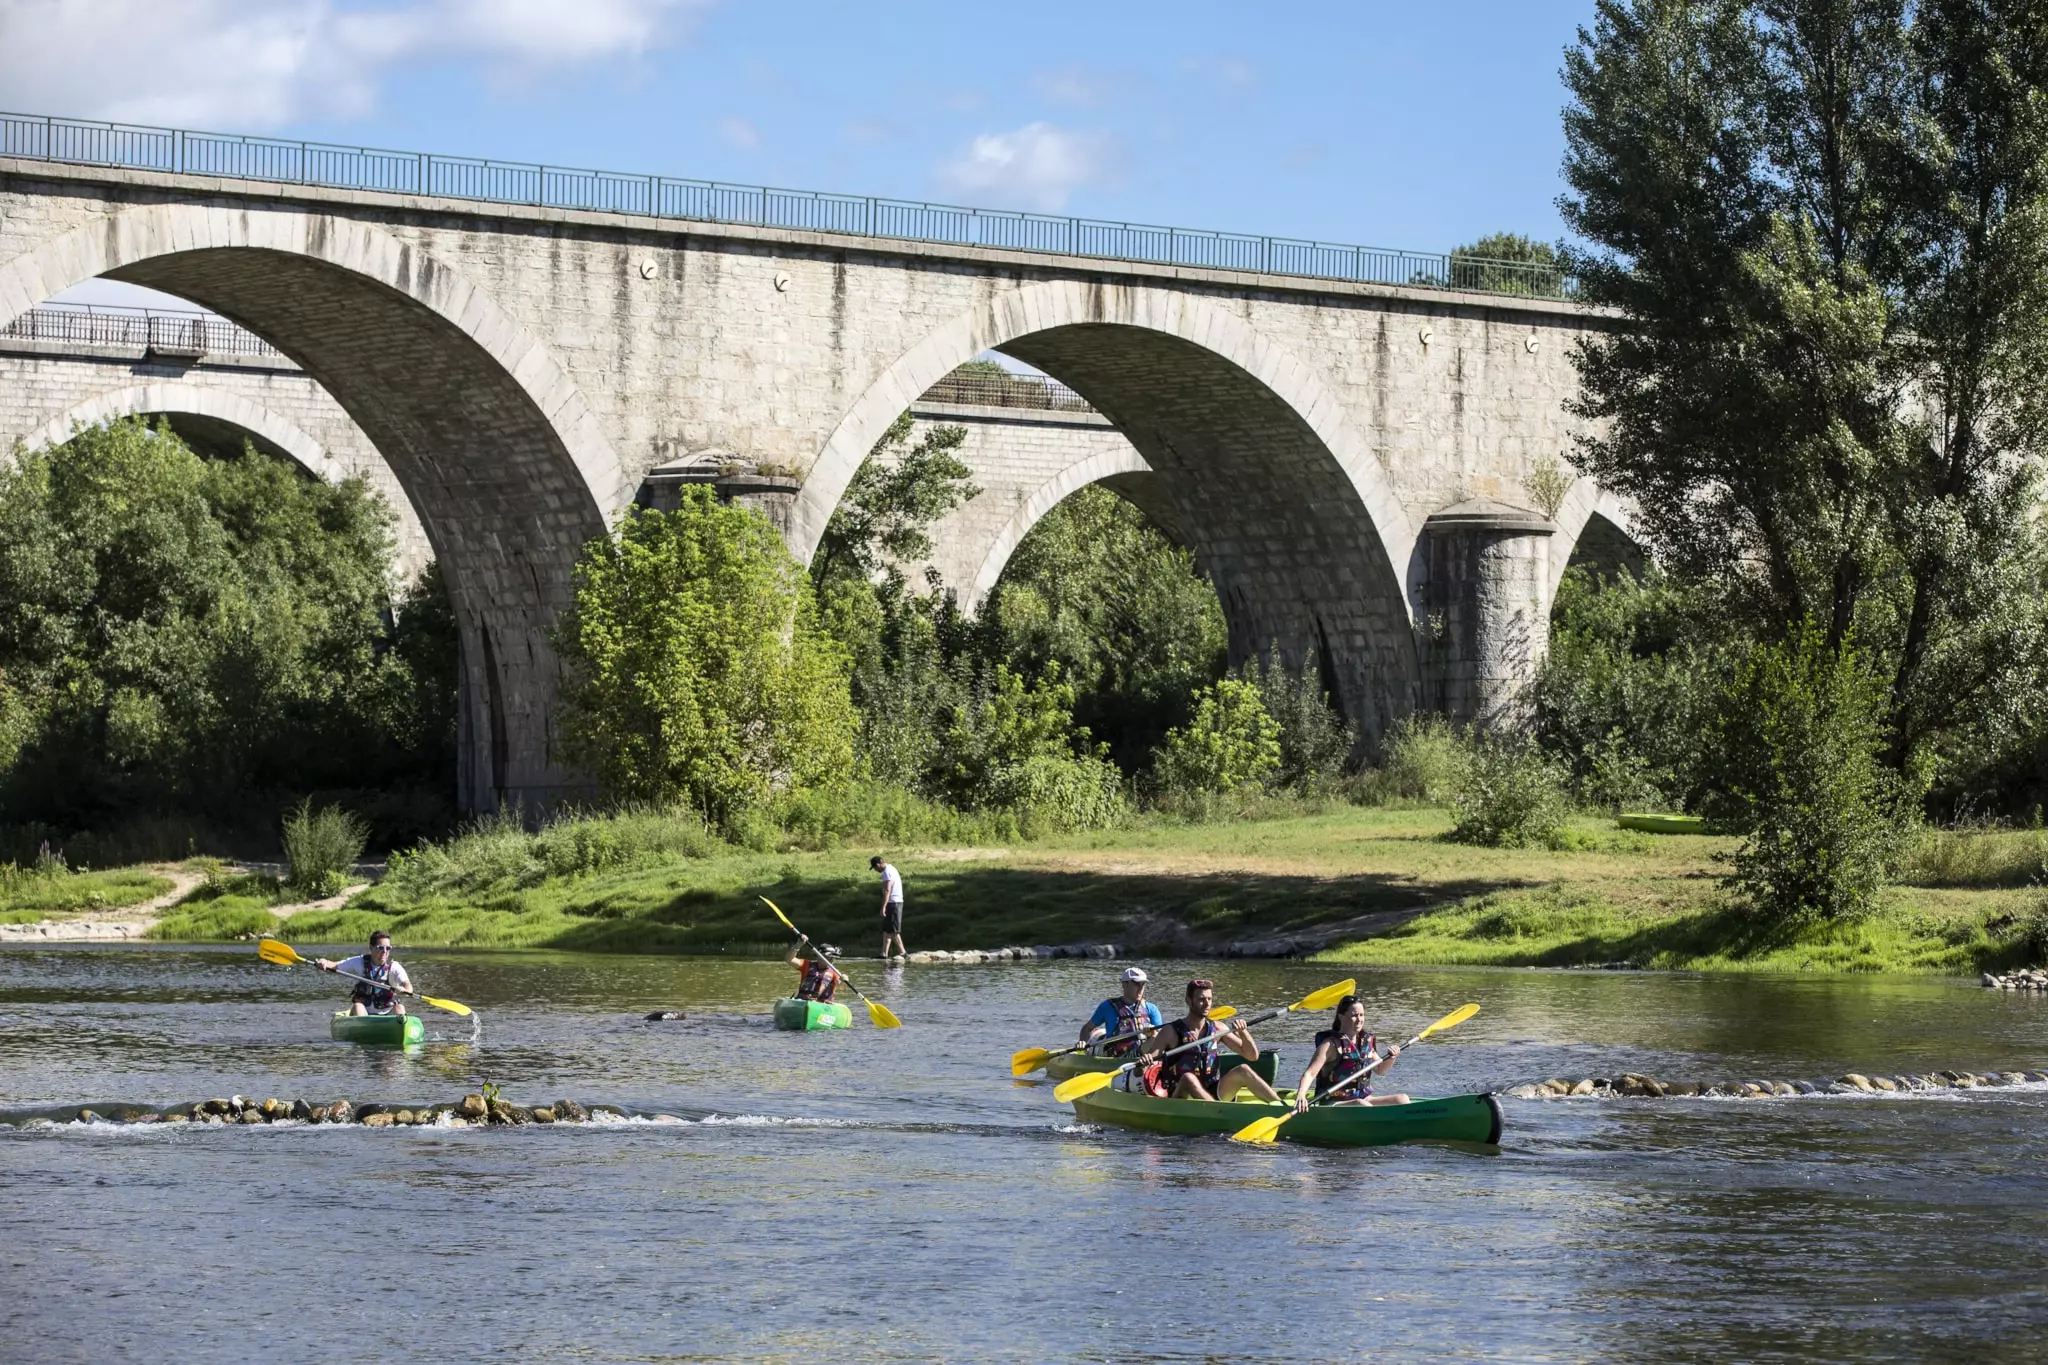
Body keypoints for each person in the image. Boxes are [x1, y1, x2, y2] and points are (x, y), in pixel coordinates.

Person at [1137, 978, 1282, 1102]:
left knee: (1243, 1070)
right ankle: (1217, 1111)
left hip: (1213, 1090)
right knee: (1188, 1078)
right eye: (1201, 999)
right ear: (1189, 1001)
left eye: (1209, 999)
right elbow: (1148, 1064)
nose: (1207, 1004)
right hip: (1182, 1095)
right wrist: (1144, 1062)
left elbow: (1252, 1056)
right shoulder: (1170, 1031)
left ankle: (1280, 1106)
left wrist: (1243, 1033)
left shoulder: (1218, 1029)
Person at [1292, 995, 1410, 1110]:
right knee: (1361, 1104)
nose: (1359, 1020)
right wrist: (1301, 1095)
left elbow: (1380, 1070)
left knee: (1402, 1099)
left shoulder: (1366, 1042)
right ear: (1341, 1017)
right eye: (1354, 1015)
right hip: (1334, 1102)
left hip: (1363, 1098)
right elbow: (1310, 1074)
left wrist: (1391, 1057)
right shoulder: (1330, 1045)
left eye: (1361, 1015)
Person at [317, 931, 412, 1016]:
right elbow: (335, 965)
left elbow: (408, 986)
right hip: (364, 1014)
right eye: (380, 948)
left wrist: (404, 990)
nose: (384, 951)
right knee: (357, 1006)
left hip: (388, 1013)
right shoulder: (359, 962)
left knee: (400, 1008)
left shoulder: (394, 967)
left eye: (388, 948)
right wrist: (324, 962)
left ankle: (400, 1025)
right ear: (371, 948)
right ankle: (362, 1027)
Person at [1078, 966, 1162, 1058]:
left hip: (1145, 1055)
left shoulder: (1152, 1008)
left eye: (1143, 984)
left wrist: (1153, 1032)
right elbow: (1087, 1028)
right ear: (1124, 984)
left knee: (1156, 1036)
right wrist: (1083, 1042)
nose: (1140, 988)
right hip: (1117, 1056)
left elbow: (1161, 1036)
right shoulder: (1107, 1006)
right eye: (1137, 984)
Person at [786, 934, 841, 1003]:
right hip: (804, 1001)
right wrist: (798, 945)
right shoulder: (806, 965)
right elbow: (789, 960)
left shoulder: (835, 972)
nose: (831, 961)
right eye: (829, 958)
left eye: (832, 958)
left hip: (824, 1004)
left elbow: (840, 983)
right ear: (818, 956)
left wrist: (843, 978)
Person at [872, 855, 906, 961]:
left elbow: (887, 890)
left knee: (893, 930)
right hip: (892, 902)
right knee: (886, 929)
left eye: (875, 868)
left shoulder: (887, 872)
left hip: (894, 902)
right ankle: (884, 953)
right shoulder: (890, 869)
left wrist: (883, 907)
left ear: (878, 864)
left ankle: (903, 952)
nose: (875, 870)